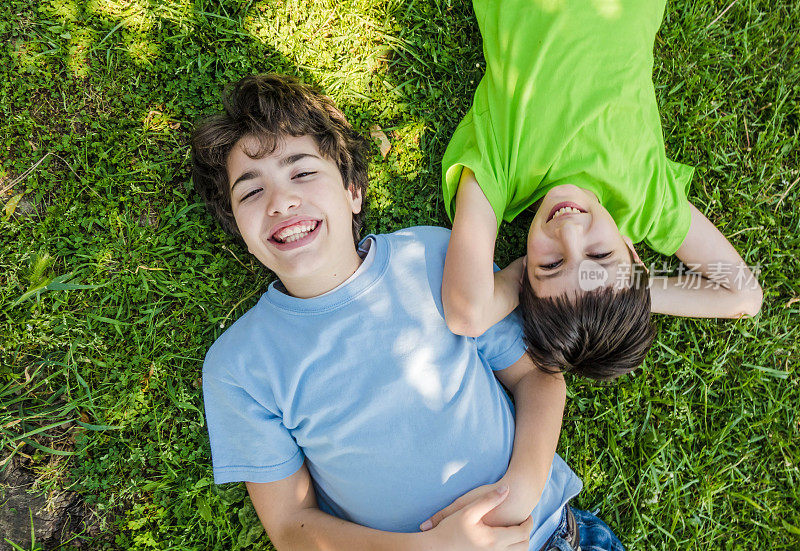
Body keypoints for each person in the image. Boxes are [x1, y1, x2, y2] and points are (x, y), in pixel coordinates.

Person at [191, 74, 625, 550]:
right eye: (250, 192)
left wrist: (519, 490)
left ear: (353, 191)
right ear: (237, 224)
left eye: (302, 172)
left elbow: (537, 377)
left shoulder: (432, 256)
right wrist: (432, 547)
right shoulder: (238, 366)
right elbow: (291, 526)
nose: (281, 201)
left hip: (549, 535)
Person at [440, 0, 763, 379]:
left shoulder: (502, 169)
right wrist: (632, 290)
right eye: (600, 254)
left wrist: (529, 280)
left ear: (526, 273)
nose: (570, 232)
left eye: (551, 264)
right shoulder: (645, 200)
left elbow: (468, 312)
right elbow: (744, 293)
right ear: (633, 255)